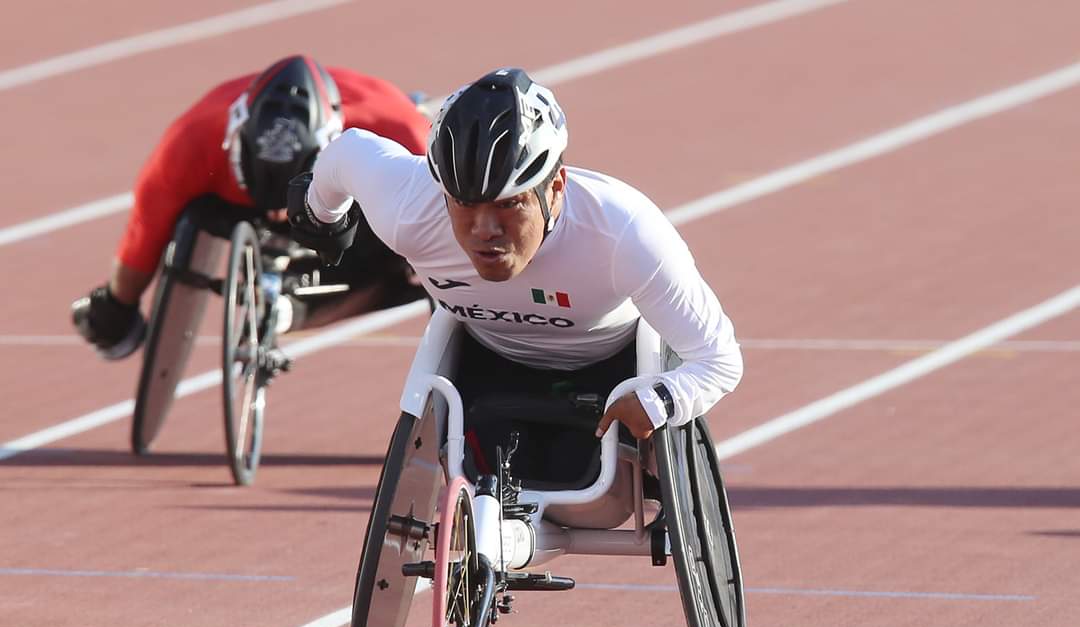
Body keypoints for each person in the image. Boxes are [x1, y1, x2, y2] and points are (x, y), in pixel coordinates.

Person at [288, 66, 742, 466]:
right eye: (464, 204)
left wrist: (661, 400)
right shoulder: (409, 207)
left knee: (592, 466)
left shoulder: (625, 232)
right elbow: (345, 155)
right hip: (489, 370)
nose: (485, 229)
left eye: (510, 204)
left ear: (556, 187)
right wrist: (319, 215)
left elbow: (719, 361)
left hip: (612, 378)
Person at [72, 55, 431, 359]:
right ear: (234, 143)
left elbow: (448, 230)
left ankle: (296, 305)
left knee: (416, 259)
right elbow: (144, 233)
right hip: (234, 206)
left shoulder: (398, 137)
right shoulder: (191, 141)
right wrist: (118, 304)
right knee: (110, 320)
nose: (279, 216)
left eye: (284, 208)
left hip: (346, 203)